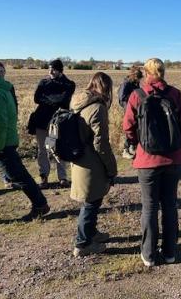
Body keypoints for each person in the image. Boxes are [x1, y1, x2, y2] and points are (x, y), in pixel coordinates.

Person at [123, 58, 181, 267]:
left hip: (147, 160)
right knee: (170, 205)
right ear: (163, 72)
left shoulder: (137, 95)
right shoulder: (175, 94)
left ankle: (149, 254)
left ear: (146, 72)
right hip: (173, 159)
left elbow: (128, 127)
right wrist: (176, 145)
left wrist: (138, 144)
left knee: (149, 207)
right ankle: (170, 252)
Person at [70, 72, 117, 257]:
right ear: (106, 87)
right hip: (92, 163)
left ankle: (92, 233)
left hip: (79, 160)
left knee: (93, 200)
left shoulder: (78, 102)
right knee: (90, 203)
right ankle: (82, 244)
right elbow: (101, 143)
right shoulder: (98, 107)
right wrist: (111, 168)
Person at [0, 62, 50, 221]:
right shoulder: (5, 89)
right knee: (18, 174)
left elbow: (1, 123)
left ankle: (40, 205)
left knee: (18, 175)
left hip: (3, 143)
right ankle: (40, 203)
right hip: (5, 141)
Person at [31, 59, 75, 188]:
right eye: (49, 68)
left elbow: (63, 99)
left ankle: (63, 177)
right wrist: (54, 100)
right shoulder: (43, 82)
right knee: (42, 150)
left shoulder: (69, 84)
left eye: (54, 69)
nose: (50, 71)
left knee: (57, 148)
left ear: (60, 70)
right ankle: (43, 176)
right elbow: (36, 98)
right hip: (41, 121)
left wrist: (47, 99)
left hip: (57, 123)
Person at [117, 66, 143, 159]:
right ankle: (125, 150)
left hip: (136, 110)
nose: (139, 80)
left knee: (135, 129)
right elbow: (121, 98)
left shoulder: (136, 83)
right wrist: (130, 105)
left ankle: (132, 147)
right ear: (134, 76)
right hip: (128, 109)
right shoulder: (126, 84)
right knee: (128, 129)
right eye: (138, 78)